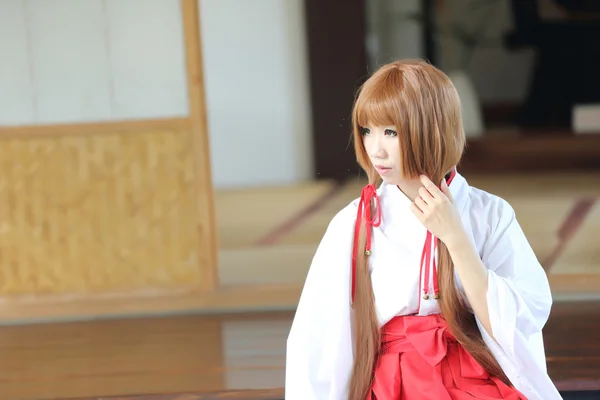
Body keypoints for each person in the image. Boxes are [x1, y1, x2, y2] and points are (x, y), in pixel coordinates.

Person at [284, 59, 562, 400]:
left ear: (433, 129)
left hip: (472, 374)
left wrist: (457, 239)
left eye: (390, 132)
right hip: (393, 382)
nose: (376, 149)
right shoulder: (354, 222)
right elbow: (317, 335)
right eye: (367, 130)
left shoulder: (489, 214)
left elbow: (523, 318)